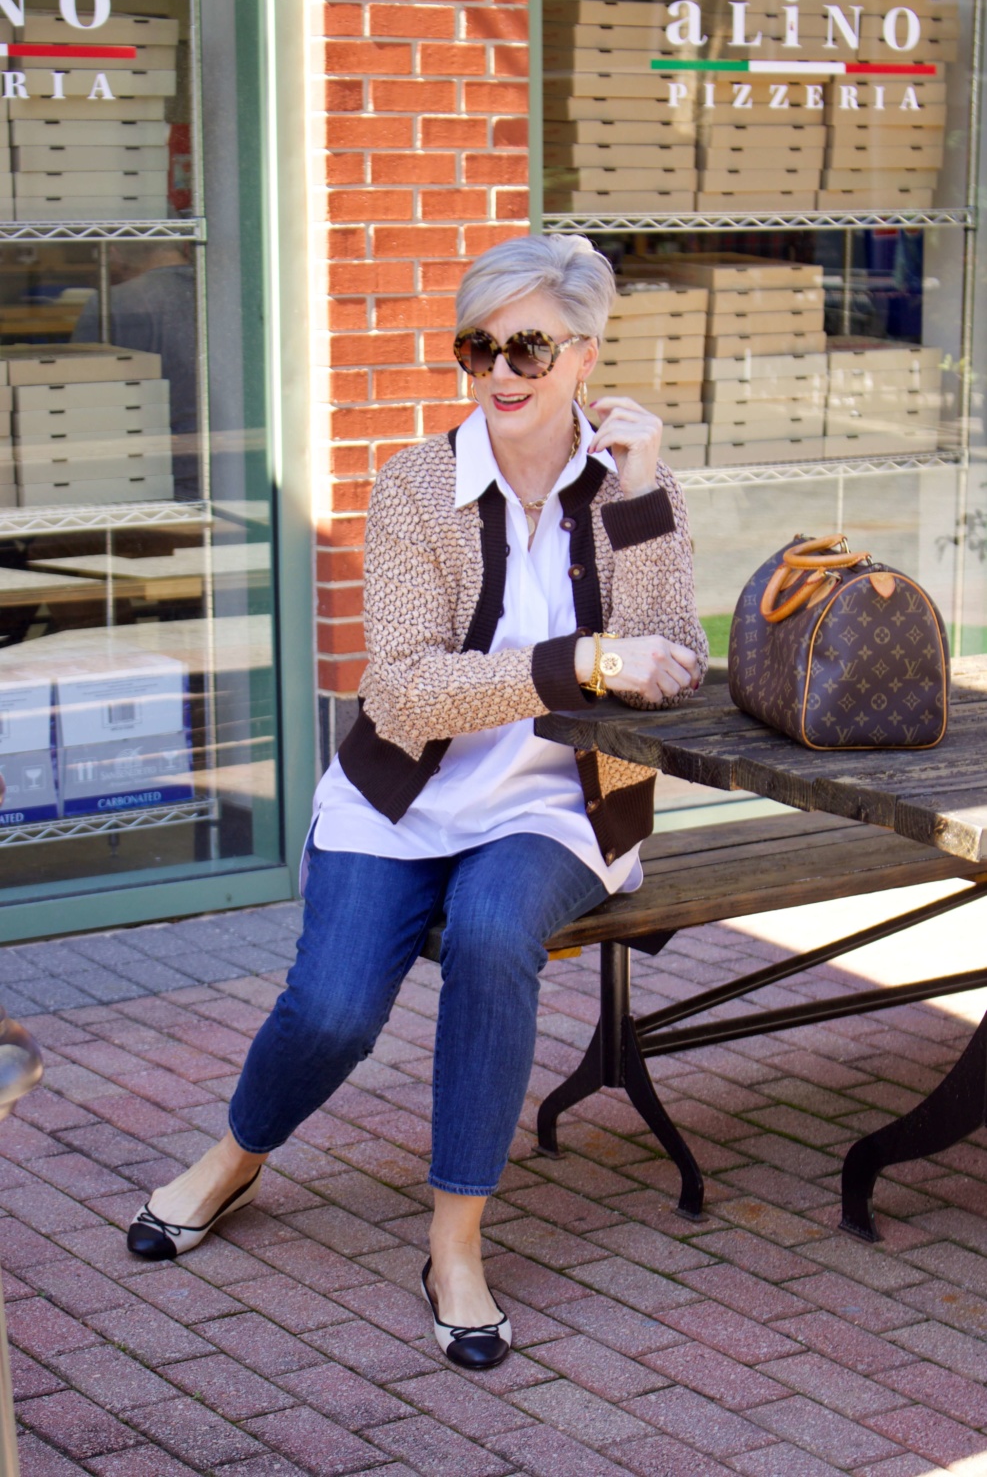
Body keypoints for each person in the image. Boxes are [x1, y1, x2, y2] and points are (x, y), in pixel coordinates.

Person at [126, 234, 708, 1370]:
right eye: (477, 344)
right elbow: (400, 689)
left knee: (495, 936)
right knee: (334, 1008)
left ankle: (455, 1242)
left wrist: (637, 500)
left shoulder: (632, 486)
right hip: (402, 795)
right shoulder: (413, 486)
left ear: (584, 353)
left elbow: (674, 655)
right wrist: (580, 663)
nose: (501, 367)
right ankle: (240, 1152)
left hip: (560, 804)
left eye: (529, 342)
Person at [72, 241, 199, 500]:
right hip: (241, 473)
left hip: (143, 481)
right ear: (184, 244)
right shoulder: (229, 291)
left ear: (114, 251)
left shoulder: (110, 306)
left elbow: (76, 407)